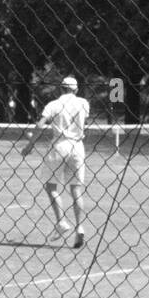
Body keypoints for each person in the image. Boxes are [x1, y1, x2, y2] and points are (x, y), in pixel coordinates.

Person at [21, 75, 89, 249]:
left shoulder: (54, 105)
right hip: (78, 147)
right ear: (76, 90)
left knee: (51, 187)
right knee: (76, 189)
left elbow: (40, 125)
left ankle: (61, 222)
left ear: (61, 89)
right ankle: (79, 227)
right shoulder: (83, 103)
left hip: (59, 145)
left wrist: (30, 145)